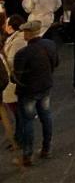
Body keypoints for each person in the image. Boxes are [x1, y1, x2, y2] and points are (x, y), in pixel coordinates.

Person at [12, 19, 58, 166]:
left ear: (27, 33)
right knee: (46, 115)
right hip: (46, 85)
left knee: (28, 121)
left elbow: (16, 77)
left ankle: (27, 154)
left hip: (28, 91)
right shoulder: (49, 45)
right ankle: (47, 148)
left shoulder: (23, 53)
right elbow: (56, 62)